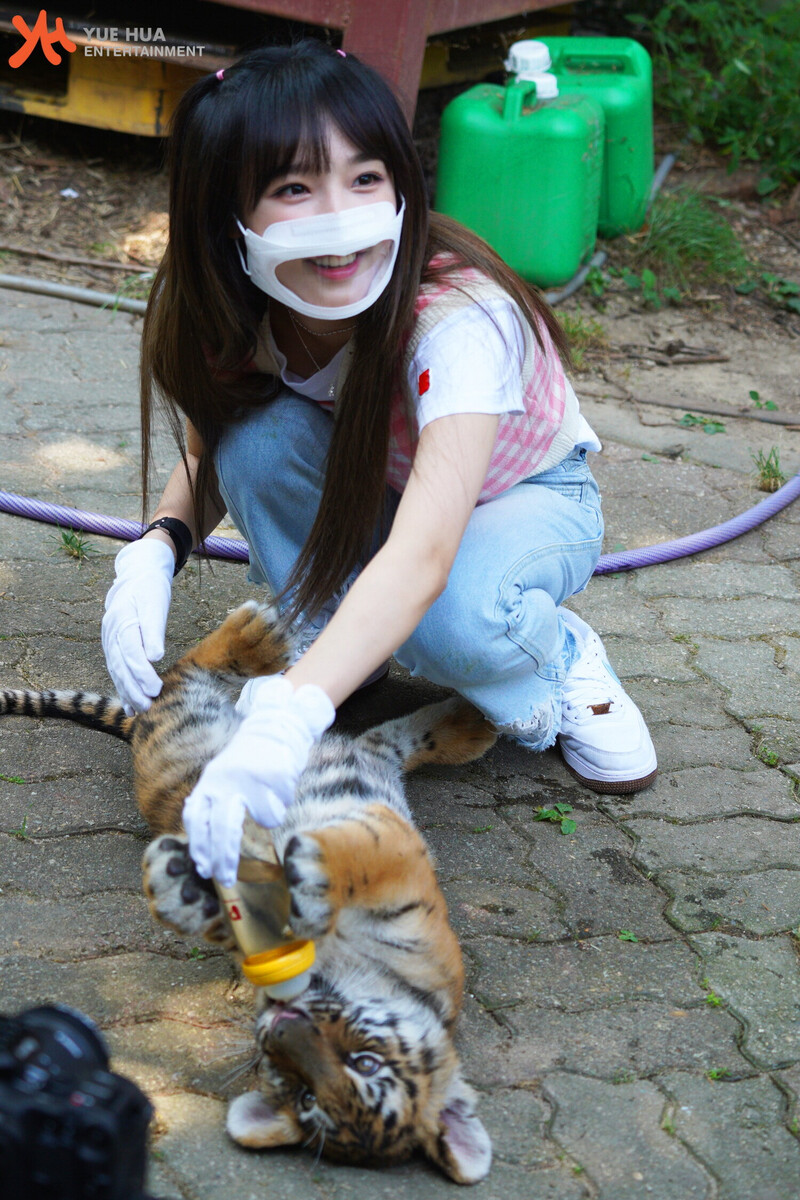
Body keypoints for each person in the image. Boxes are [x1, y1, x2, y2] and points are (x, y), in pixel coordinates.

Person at [101, 40, 657, 887]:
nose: (341, 219)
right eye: (294, 188)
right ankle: (335, 655)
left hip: (523, 497)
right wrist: (156, 549)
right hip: (392, 485)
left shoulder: (458, 317)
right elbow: (218, 434)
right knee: (257, 440)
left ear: (402, 181)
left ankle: (556, 659)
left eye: (365, 178)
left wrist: (286, 719)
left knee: (455, 617)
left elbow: (426, 554)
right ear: (227, 218)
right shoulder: (230, 296)